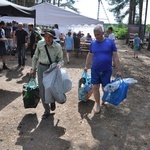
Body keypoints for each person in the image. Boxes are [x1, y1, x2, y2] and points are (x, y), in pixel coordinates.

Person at [84, 25, 121, 114]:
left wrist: (119, 70)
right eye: (95, 35)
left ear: (103, 33)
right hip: (95, 69)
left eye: (98, 34)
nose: (97, 37)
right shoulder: (93, 43)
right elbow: (90, 55)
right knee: (95, 87)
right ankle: (97, 104)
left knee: (105, 88)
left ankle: (104, 99)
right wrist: (86, 66)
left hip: (106, 70)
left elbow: (115, 56)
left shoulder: (110, 43)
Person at [30, 29, 64, 119]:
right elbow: (35, 57)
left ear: (53, 38)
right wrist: (33, 68)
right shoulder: (40, 44)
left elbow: (61, 59)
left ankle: (52, 101)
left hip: (52, 68)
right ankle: (46, 110)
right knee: (42, 89)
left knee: (51, 87)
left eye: (49, 37)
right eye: (45, 36)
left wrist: (60, 64)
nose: (47, 39)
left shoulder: (57, 46)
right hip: (41, 68)